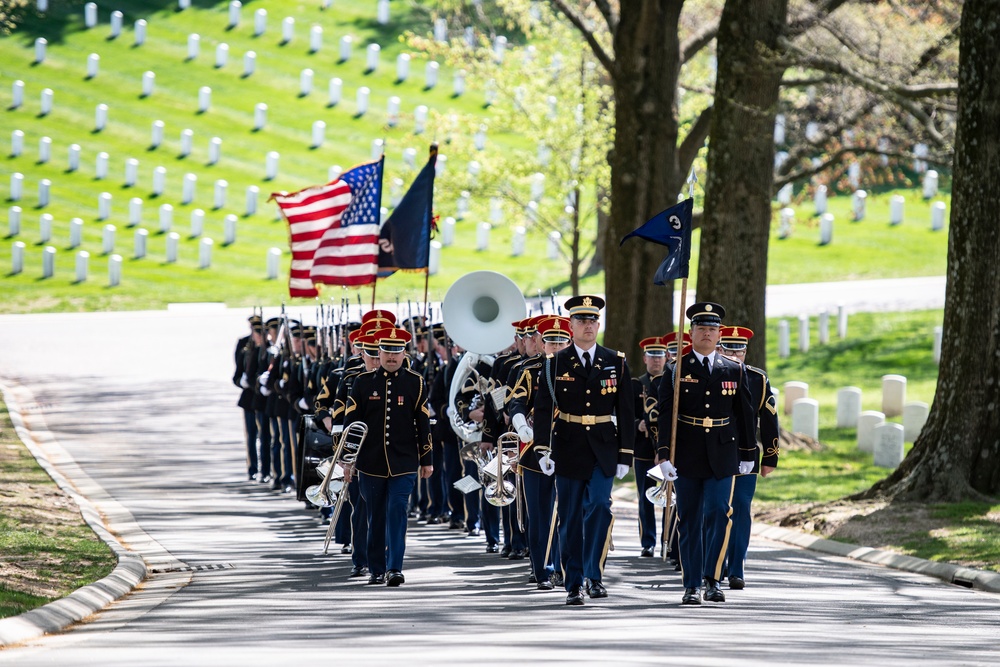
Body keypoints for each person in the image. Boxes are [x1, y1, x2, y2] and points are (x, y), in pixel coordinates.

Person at [534, 296, 634, 606]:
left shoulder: (615, 361)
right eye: (581, 321)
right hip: (568, 445)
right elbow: (542, 408)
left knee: (600, 508)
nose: (588, 325)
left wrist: (625, 455)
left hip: (604, 446)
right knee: (570, 517)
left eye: (592, 320)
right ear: (571, 326)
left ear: (598, 325)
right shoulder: (555, 363)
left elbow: (627, 410)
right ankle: (573, 583)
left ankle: (594, 575)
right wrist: (543, 450)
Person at [656, 302, 756, 605]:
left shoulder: (734, 369)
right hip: (687, 451)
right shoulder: (676, 370)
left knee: (718, 513)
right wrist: (663, 455)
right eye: (702, 328)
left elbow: (745, 414)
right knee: (689, 519)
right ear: (691, 332)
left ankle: (713, 579)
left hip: (723, 453)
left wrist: (748, 452)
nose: (707, 334)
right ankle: (691, 584)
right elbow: (664, 415)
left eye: (713, 329)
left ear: (719, 334)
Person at [344, 326, 432, 587]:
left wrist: (427, 459)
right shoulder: (362, 382)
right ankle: (376, 568)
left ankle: (395, 567)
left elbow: (423, 423)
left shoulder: (415, 382)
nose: (391, 357)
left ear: (405, 353)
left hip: (404, 461)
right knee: (375, 515)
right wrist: (347, 460)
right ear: (378, 353)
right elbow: (351, 424)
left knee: (397, 510)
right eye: (386, 351)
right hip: (370, 463)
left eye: (397, 352)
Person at [509, 315, 570, 590]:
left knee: (567, 513)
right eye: (551, 341)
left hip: (570, 449)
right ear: (540, 343)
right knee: (540, 513)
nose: (556, 346)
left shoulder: (579, 368)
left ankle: (561, 566)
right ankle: (541, 569)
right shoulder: (532, 369)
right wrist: (521, 424)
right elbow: (517, 401)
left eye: (561, 341)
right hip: (534, 451)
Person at [717, 325, 779, 590]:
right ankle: (715, 563)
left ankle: (737, 565)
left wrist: (770, 457)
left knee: (741, 507)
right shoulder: (711, 374)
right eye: (728, 349)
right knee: (718, 508)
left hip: (746, 454)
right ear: (719, 349)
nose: (734, 355)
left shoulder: (757, 379)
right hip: (715, 453)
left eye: (739, 350)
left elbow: (769, 419)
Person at [631, 335, 668, 557]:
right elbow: (625, 415)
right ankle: (648, 541)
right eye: (652, 356)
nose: (656, 361)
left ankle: (667, 539)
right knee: (645, 496)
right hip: (643, 448)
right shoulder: (637, 384)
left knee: (667, 496)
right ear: (645, 358)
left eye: (660, 356)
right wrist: (638, 424)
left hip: (663, 449)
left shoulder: (669, 382)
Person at [234, 315, 262, 482]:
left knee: (269, 438)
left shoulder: (270, 347)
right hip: (249, 398)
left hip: (265, 400)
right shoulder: (244, 344)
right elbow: (237, 374)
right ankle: (253, 467)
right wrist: (242, 381)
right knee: (251, 435)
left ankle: (269, 468)